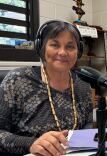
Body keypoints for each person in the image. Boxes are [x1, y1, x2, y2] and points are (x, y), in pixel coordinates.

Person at [0, 20, 94, 155]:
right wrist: (30, 143)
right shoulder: (17, 81)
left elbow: (88, 124)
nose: (62, 52)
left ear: (78, 52)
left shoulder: (82, 84)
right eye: (55, 45)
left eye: (70, 47)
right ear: (41, 48)